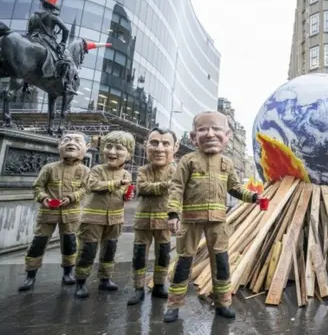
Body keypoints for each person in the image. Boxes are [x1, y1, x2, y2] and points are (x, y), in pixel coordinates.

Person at [163, 111, 262, 323]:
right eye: (203, 130)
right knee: (184, 262)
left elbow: (235, 188)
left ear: (226, 136)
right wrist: (172, 213)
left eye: (216, 130)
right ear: (192, 136)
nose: (210, 134)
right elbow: (176, 187)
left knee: (221, 262)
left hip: (218, 222)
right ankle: (173, 304)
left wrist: (253, 197)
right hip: (190, 221)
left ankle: (223, 303)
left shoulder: (226, 163)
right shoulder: (187, 161)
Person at [18, 132, 91, 291]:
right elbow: (38, 187)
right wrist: (43, 198)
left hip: (71, 214)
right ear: (59, 145)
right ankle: (30, 275)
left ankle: (67, 273)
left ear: (87, 147)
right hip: (47, 213)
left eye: (77, 140)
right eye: (66, 140)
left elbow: (85, 189)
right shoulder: (49, 168)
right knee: (38, 243)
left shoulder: (85, 171)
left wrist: (72, 197)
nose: (71, 143)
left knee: (70, 244)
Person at [74, 130, 135, 298]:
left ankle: (105, 278)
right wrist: (117, 183)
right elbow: (93, 185)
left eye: (119, 148)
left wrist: (128, 194)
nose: (112, 152)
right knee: (88, 249)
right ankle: (80, 281)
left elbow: (123, 193)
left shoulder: (127, 174)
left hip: (115, 219)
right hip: (93, 218)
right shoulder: (96, 170)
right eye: (108, 147)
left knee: (110, 249)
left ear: (128, 155)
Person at [127, 127, 179, 306]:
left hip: (165, 222)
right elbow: (142, 188)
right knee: (139, 254)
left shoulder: (175, 171)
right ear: (146, 145)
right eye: (154, 143)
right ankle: (138, 288)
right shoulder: (142, 170)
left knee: (163, 255)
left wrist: (176, 215)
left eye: (166, 144)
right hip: (143, 221)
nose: (160, 149)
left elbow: (177, 194)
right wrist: (166, 185)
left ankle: (159, 285)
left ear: (175, 147)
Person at [26, 0, 75, 95]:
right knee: (66, 60)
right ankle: (67, 85)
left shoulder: (34, 15)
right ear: (51, 8)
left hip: (32, 37)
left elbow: (29, 29)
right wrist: (63, 43)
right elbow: (66, 30)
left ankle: (26, 83)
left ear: (43, 5)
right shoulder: (52, 16)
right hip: (46, 40)